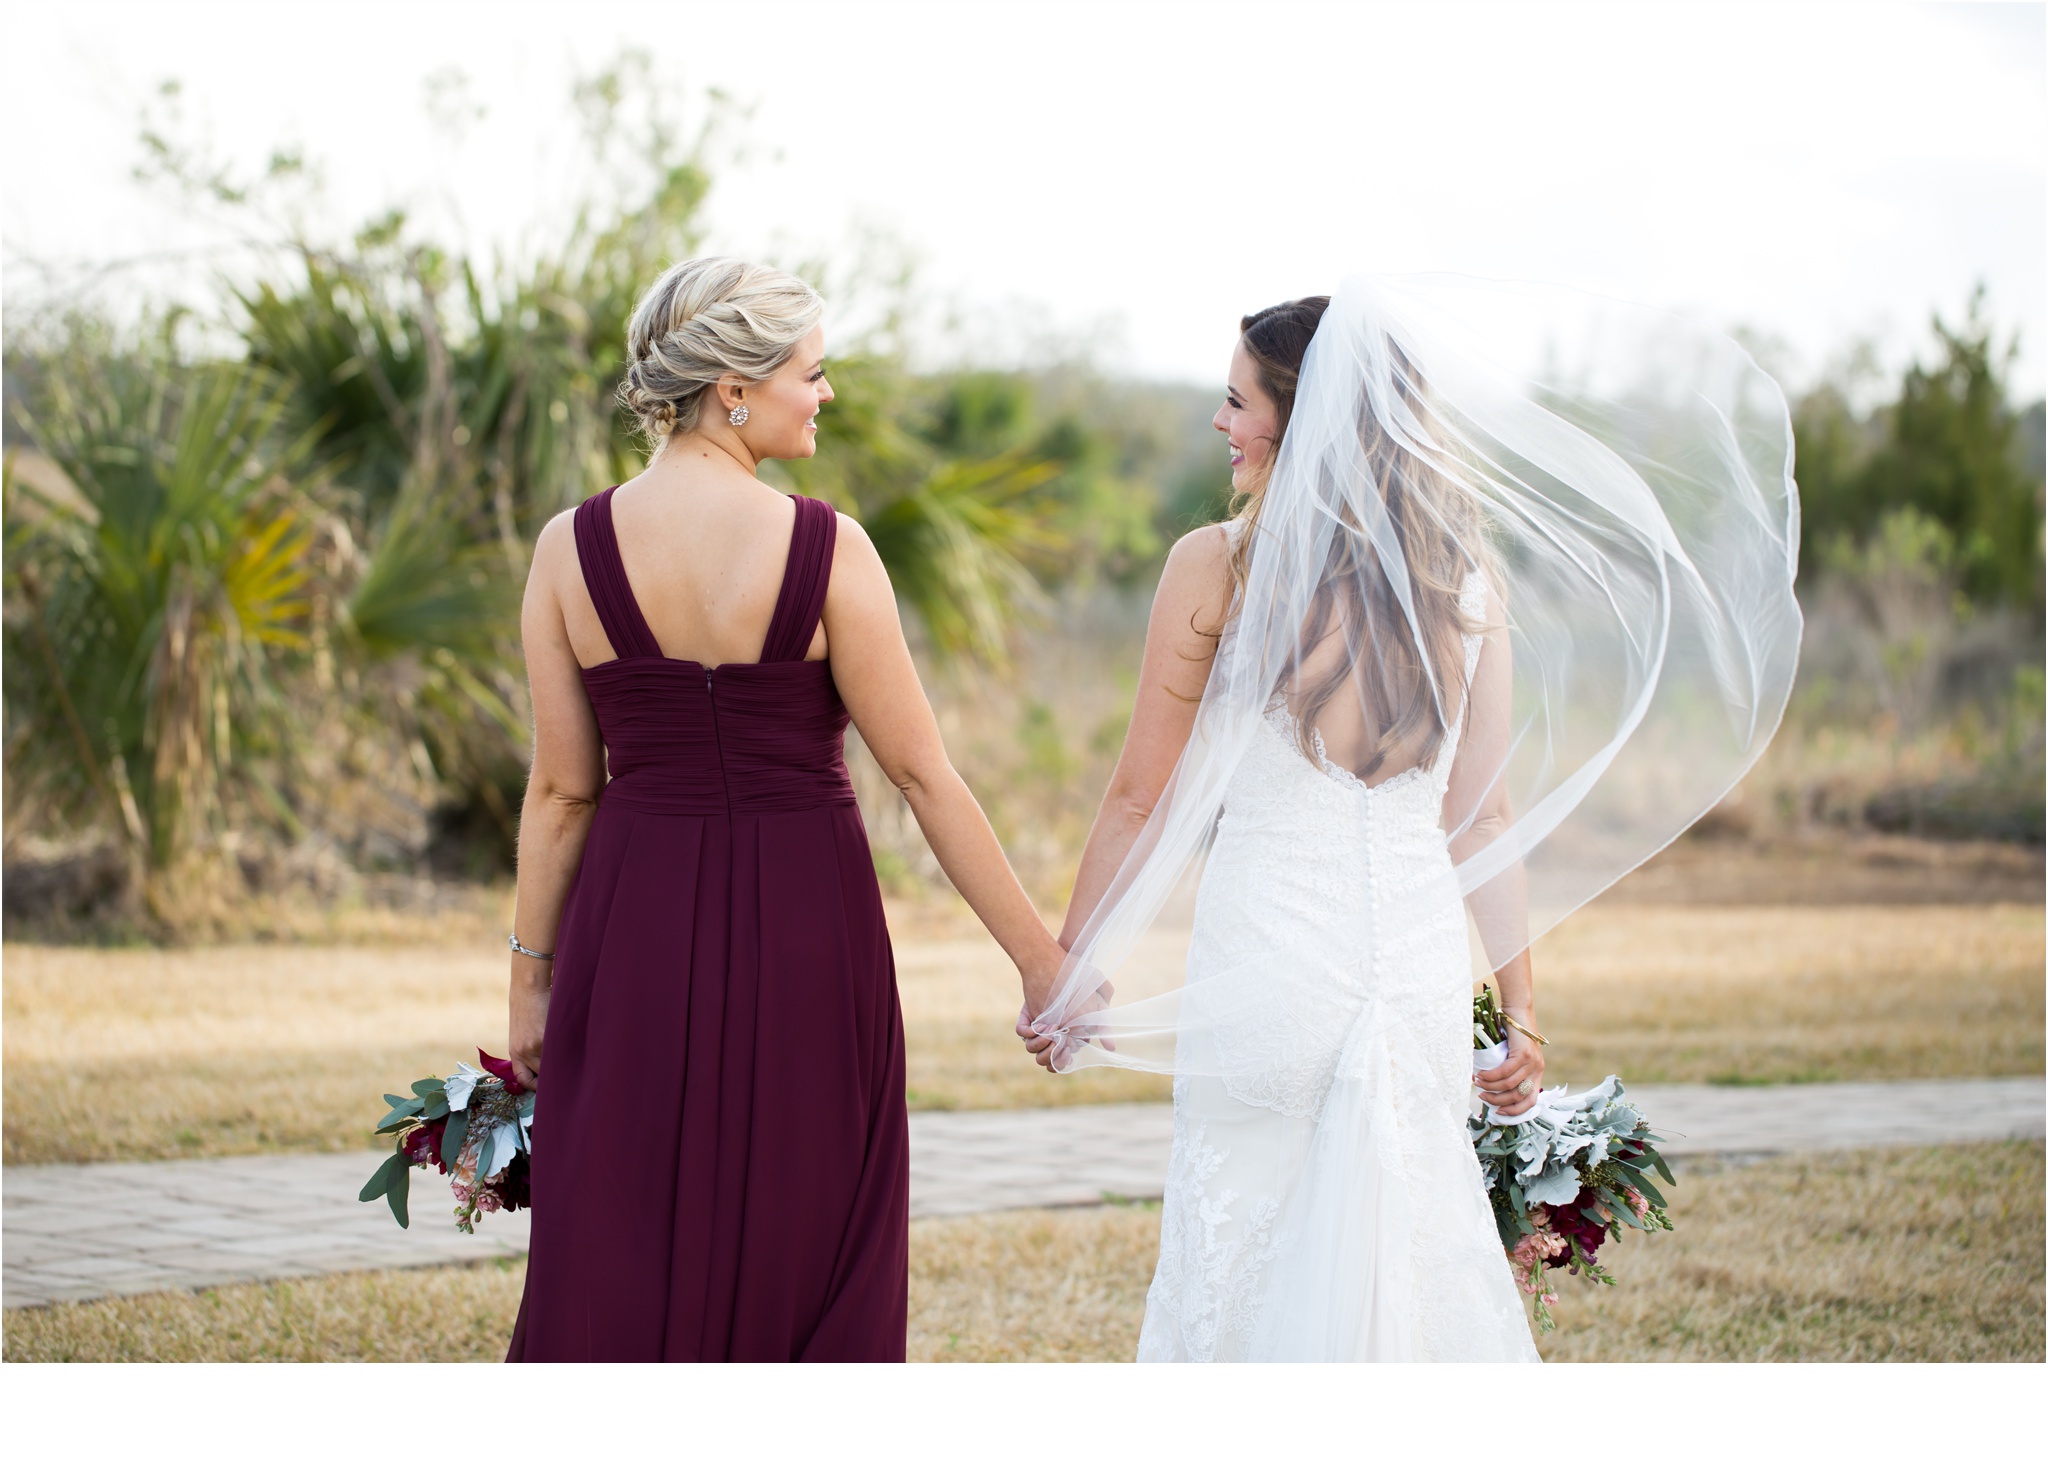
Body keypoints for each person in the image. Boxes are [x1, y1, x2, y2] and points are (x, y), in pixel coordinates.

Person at [1027, 278, 1801, 1361]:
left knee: (1239, 1248)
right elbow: (1480, 814)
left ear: (1301, 420)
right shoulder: (1459, 580)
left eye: (1238, 400)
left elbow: (1136, 796)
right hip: (1410, 971)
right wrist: (1519, 1009)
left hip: (1269, 960)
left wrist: (1071, 967)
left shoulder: (1213, 566)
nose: (1220, 421)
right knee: (1407, 1255)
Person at [503, 257, 1066, 1362]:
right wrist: (1037, 959)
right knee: (811, 1230)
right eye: (812, 372)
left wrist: (530, 983)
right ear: (733, 387)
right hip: (810, 929)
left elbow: (563, 789)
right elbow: (921, 776)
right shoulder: (828, 548)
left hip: (632, 931)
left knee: (620, 1227)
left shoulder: (566, 550)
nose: (826, 394)